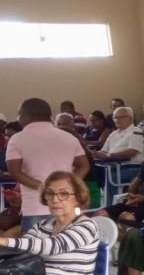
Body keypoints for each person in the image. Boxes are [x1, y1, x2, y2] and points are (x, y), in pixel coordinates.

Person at [6, 99, 90, 232]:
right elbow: (84, 165)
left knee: (36, 244)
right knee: (66, 243)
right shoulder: (68, 137)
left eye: (19, 114)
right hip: (67, 205)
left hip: (35, 207)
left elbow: (14, 172)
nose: (18, 119)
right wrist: (65, 186)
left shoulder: (17, 139)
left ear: (27, 115)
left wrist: (45, 187)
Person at [93, 124, 144, 225]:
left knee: (125, 217)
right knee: (100, 214)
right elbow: (137, 180)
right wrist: (132, 194)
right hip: (137, 200)